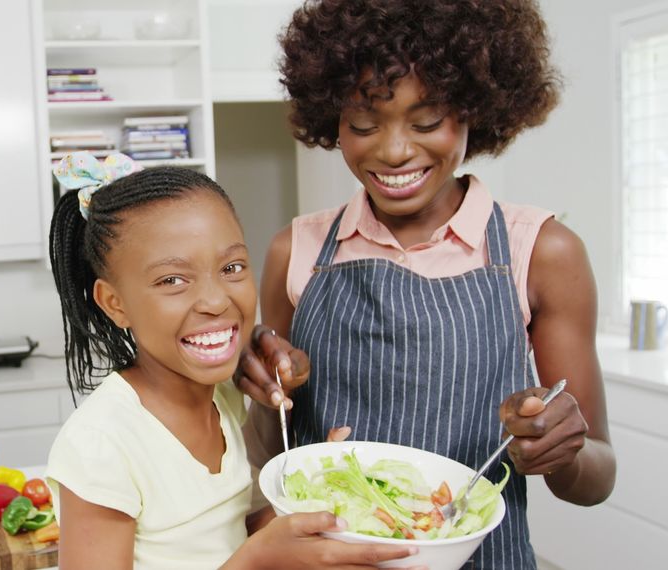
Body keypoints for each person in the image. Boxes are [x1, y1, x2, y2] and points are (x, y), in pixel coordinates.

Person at [235, 1, 617, 568]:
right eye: (364, 124)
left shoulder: (540, 251)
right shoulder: (298, 250)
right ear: (332, 120)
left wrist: (558, 448)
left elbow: (594, 481)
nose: (393, 151)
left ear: (475, 113)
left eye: (427, 121)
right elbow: (272, 457)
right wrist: (270, 396)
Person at [45, 153, 419, 569]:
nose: (216, 300)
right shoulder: (103, 443)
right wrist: (257, 561)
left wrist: (317, 493)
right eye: (173, 280)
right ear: (114, 303)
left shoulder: (223, 399)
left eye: (232, 267)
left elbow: (225, 533)